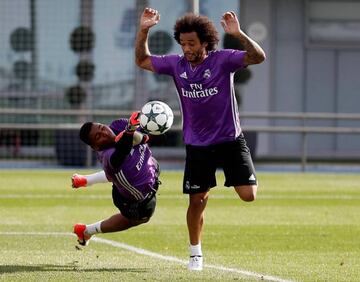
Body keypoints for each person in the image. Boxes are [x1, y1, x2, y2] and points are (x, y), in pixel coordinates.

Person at [135, 8, 266, 271]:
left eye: (191, 43)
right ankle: (195, 254)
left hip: (230, 139)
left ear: (205, 41)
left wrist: (238, 34)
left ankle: (231, 178)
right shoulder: (176, 65)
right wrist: (144, 30)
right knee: (197, 200)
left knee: (248, 195)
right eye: (183, 43)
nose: (186, 48)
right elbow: (142, 61)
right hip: (197, 145)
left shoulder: (223, 60)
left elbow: (258, 57)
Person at [71, 112, 161, 246]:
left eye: (102, 128)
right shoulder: (107, 156)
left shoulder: (118, 125)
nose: (104, 133)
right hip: (133, 199)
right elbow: (122, 151)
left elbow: (145, 137)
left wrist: (147, 125)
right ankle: (86, 231)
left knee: (129, 171)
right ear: (95, 146)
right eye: (98, 136)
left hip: (147, 170)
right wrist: (130, 131)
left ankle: (85, 180)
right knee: (143, 216)